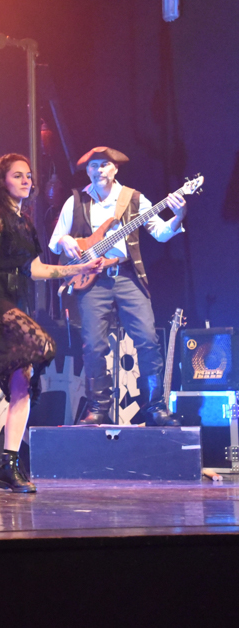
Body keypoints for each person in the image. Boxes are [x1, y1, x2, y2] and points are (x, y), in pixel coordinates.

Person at [0, 154, 102, 493]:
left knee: (23, 382)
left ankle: (8, 466)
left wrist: (77, 269)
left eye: (28, 176)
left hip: (19, 299)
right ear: (2, 181)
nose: (26, 181)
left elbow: (36, 270)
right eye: (17, 176)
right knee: (42, 345)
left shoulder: (25, 222)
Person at [48, 147, 187, 426]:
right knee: (94, 345)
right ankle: (98, 407)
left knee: (148, 339)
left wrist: (180, 215)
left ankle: (155, 408)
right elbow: (55, 242)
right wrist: (65, 241)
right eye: (93, 166)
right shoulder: (75, 200)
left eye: (104, 165)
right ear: (87, 171)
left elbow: (160, 233)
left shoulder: (133, 199)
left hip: (126, 276)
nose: (98, 170)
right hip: (91, 279)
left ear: (115, 169)